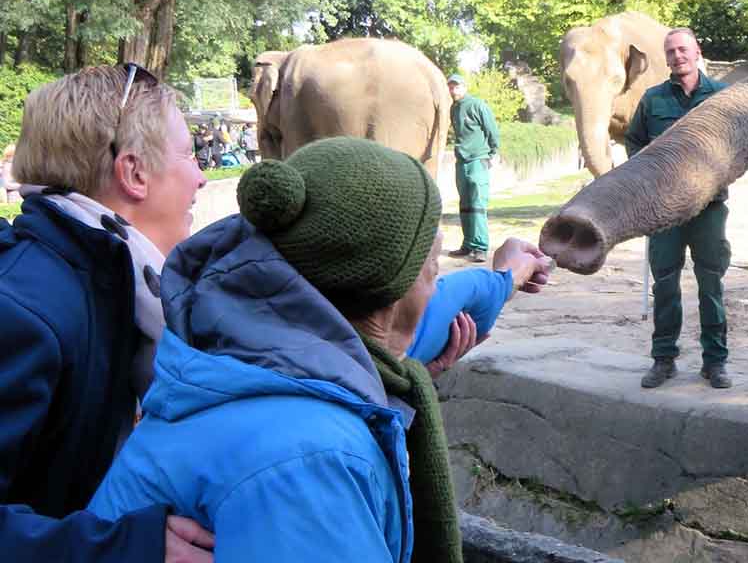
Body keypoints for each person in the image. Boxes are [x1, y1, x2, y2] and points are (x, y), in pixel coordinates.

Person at [90, 137, 553, 563]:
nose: (436, 286)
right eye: (432, 267)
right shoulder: (310, 459)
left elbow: (447, 304)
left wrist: (505, 278)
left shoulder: (244, 339)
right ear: (388, 296)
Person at [0, 64, 214, 561]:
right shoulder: (24, 312)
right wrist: (125, 547)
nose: (201, 176)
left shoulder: (106, 284)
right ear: (134, 173)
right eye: (187, 154)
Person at [624, 29, 734, 390]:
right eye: (671, 51)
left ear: (697, 52)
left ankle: (714, 362)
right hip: (663, 210)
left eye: (683, 49)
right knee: (666, 285)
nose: (677, 56)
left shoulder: (720, 95)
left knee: (710, 285)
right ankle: (663, 359)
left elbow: (738, 143)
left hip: (709, 207)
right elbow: (635, 140)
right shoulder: (653, 99)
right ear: (667, 58)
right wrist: (646, 173)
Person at [446, 73, 500, 263]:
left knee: (478, 204)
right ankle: (468, 244)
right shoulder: (454, 108)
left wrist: (494, 153)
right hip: (461, 161)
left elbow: (491, 129)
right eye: (451, 87)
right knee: (465, 204)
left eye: (456, 86)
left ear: (464, 87)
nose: (453, 90)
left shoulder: (477, 105)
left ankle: (481, 247)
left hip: (478, 159)